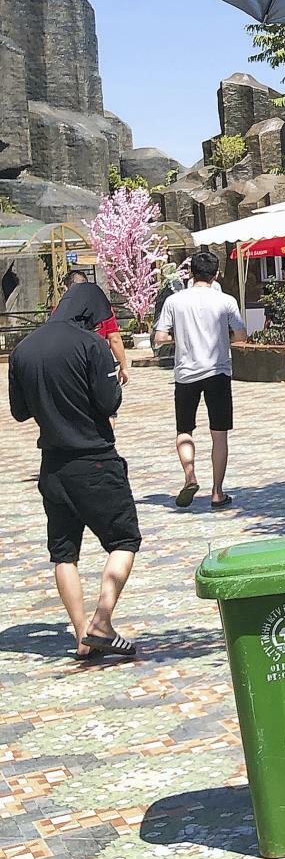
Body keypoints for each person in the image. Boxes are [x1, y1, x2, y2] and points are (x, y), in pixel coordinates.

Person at [9, 282, 141, 660]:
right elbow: (108, 402)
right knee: (124, 540)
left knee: (64, 553)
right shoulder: (92, 345)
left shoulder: (23, 350)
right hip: (95, 462)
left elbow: (19, 412)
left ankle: (82, 638)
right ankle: (102, 621)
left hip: (52, 466)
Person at [153, 249, 247, 509]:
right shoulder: (226, 301)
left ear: (190, 274)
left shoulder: (175, 301)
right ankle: (217, 491)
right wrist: (223, 338)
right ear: (216, 274)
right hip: (218, 372)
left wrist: (181, 338)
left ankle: (190, 475)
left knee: (184, 430)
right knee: (219, 434)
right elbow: (241, 335)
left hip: (186, 374)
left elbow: (160, 337)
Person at [62, 269, 129, 385]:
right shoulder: (102, 307)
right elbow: (114, 339)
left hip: (71, 362)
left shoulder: (61, 310)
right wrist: (123, 367)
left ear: (66, 289)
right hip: (99, 359)